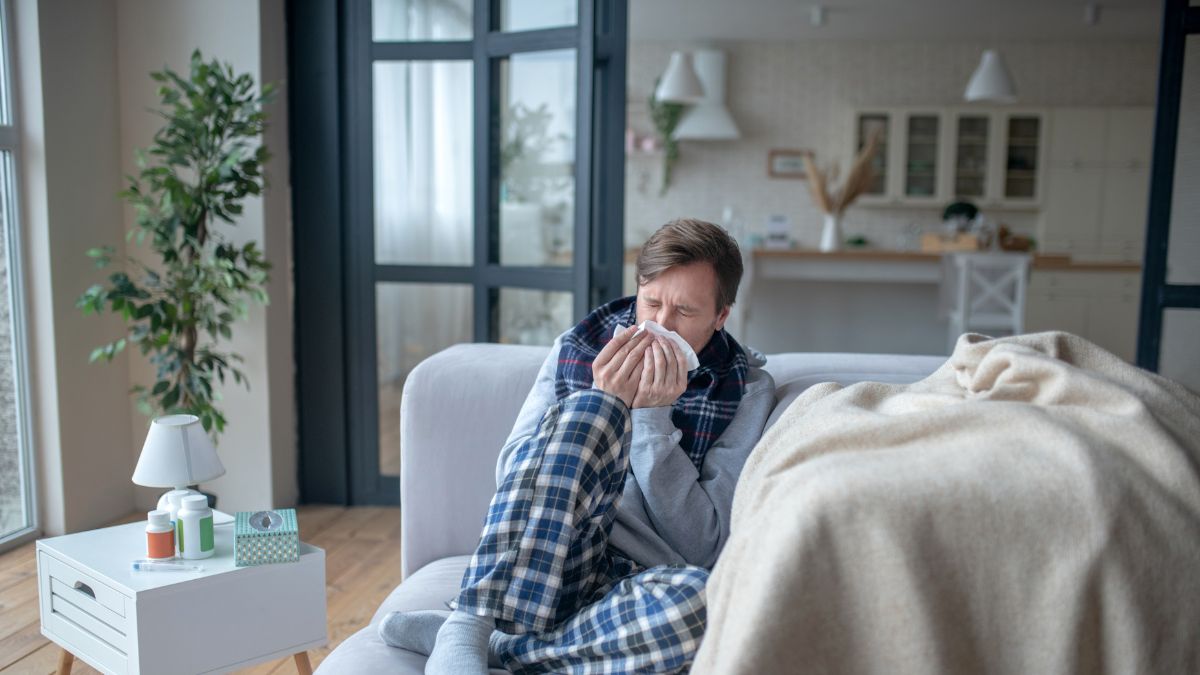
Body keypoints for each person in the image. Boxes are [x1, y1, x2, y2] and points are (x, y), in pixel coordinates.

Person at [379, 218, 776, 673]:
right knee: (591, 411)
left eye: (685, 312)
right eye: (652, 303)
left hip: (640, 580)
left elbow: (702, 545)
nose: (661, 326)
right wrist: (606, 401)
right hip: (549, 555)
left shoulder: (744, 390)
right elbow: (512, 473)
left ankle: (493, 645)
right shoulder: (578, 349)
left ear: (721, 315)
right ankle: (470, 623)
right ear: (638, 290)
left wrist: (651, 418)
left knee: (705, 607)